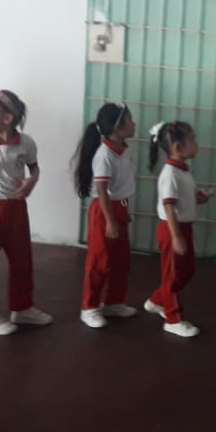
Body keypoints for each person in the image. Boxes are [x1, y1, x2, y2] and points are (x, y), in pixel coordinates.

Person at [0, 90, 52, 336]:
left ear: (7, 118)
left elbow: (34, 170)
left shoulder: (26, 143)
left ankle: (22, 308)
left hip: (16, 207)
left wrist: (32, 181)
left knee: (22, 260)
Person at [73, 102, 138, 329]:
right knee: (99, 261)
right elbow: (101, 190)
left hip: (119, 208)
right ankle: (89, 307)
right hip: (104, 211)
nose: (134, 124)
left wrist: (121, 214)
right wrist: (110, 221)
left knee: (121, 260)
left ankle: (114, 302)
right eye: (130, 121)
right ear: (117, 128)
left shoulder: (123, 150)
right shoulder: (104, 155)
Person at [144, 120, 211, 338]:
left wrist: (199, 198)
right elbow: (169, 206)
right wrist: (176, 236)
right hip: (172, 230)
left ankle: (157, 300)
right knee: (172, 275)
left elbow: (182, 199)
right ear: (177, 147)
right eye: (192, 140)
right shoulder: (170, 174)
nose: (196, 144)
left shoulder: (183, 171)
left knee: (187, 270)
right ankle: (173, 319)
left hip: (183, 229)